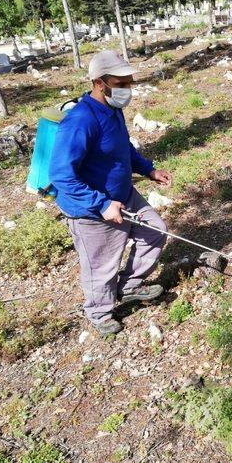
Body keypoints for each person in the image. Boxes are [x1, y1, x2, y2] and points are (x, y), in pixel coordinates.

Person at [49, 50, 172, 336]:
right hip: (92, 209)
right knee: (102, 265)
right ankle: (99, 312)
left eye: (129, 83)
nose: (127, 89)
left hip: (124, 194)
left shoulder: (114, 111)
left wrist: (149, 170)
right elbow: (61, 174)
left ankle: (128, 286)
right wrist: (102, 204)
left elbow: (123, 149)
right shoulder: (80, 120)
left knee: (155, 230)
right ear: (99, 82)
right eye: (121, 83)